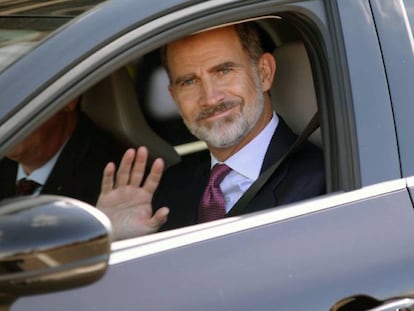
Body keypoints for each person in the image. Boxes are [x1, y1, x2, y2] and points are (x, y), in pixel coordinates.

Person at [97, 22, 326, 240]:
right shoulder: (168, 187)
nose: (210, 98)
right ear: (174, 97)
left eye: (223, 70)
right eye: (188, 82)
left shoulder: (322, 185)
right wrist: (122, 244)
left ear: (264, 73)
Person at [0, 97, 127, 206]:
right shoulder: (6, 163)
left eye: (16, 98)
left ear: (68, 101)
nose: (4, 115)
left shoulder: (115, 182)